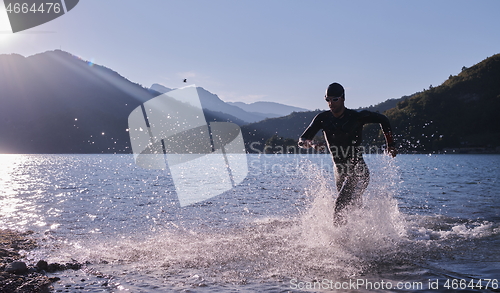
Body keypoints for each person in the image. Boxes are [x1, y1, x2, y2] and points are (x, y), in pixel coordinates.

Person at [298, 82, 397, 225]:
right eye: (328, 100)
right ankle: (363, 235)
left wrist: (391, 144)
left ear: (343, 98)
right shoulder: (322, 119)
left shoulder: (356, 117)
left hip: (359, 170)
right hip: (339, 172)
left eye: (335, 99)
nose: (331, 103)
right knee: (352, 207)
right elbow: (302, 139)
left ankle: (339, 244)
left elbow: (384, 119)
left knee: (340, 204)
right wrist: (312, 144)